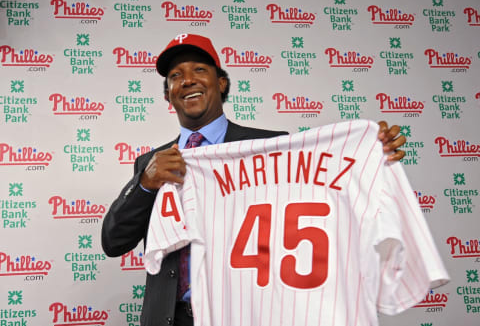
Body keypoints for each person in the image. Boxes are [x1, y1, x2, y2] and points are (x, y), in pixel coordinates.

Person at [101, 33, 406, 326]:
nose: (187, 80)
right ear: (168, 94)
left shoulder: (271, 147)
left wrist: (367, 152)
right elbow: (113, 242)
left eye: (199, 69)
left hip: (247, 314)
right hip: (171, 317)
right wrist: (144, 184)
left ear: (221, 83)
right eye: (175, 76)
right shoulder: (151, 163)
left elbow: (326, 197)